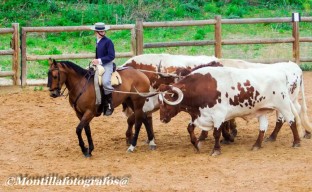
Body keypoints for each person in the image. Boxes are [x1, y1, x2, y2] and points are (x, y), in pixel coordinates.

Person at [90, 22, 115, 116]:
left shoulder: (108, 42)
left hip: (107, 64)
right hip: (99, 64)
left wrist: (99, 61)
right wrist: (95, 61)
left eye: (103, 30)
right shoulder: (97, 40)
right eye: (100, 31)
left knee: (105, 82)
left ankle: (109, 105)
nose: (102, 32)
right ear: (96, 32)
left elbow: (111, 56)